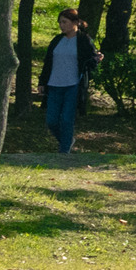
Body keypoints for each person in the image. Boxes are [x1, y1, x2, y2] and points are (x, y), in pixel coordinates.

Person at [38, 9, 88, 158]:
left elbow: (90, 60)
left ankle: (64, 152)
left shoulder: (83, 40)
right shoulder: (56, 40)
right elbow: (48, 62)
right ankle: (67, 141)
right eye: (60, 22)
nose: (61, 25)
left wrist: (97, 58)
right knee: (51, 121)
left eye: (64, 22)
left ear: (75, 23)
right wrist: (42, 82)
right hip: (54, 85)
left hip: (72, 85)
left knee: (67, 119)